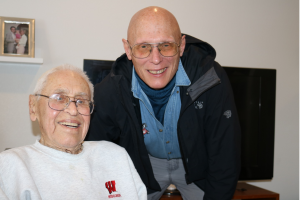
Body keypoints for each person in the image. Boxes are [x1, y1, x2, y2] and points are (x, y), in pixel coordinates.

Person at [86, 6, 241, 200]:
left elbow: (225, 154)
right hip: (145, 166)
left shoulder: (210, 78)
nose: (156, 59)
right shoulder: (112, 89)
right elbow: (93, 155)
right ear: (128, 49)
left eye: (166, 45)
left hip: (196, 165)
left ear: (181, 45)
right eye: (143, 47)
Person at [0, 64, 146, 200]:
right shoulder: (12, 164)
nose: (72, 110)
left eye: (81, 101)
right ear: (33, 107)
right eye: (59, 98)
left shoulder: (115, 156)